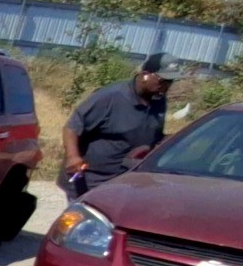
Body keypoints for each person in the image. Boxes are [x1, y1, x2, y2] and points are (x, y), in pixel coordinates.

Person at [63, 53, 186, 196]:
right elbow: (72, 127)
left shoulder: (159, 100)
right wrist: (73, 157)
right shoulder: (110, 97)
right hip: (91, 181)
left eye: (170, 82)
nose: (166, 86)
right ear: (145, 75)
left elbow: (155, 136)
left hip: (127, 181)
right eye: (162, 80)